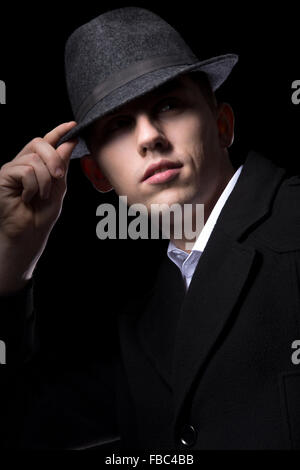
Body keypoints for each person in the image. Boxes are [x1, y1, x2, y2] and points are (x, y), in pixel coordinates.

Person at [0, 6, 300, 450]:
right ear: (99, 176)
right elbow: (22, 425)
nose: (148, 137)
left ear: (222, 125)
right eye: (119, 125)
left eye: (168, 104)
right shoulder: (141, 318)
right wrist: (11, 265)